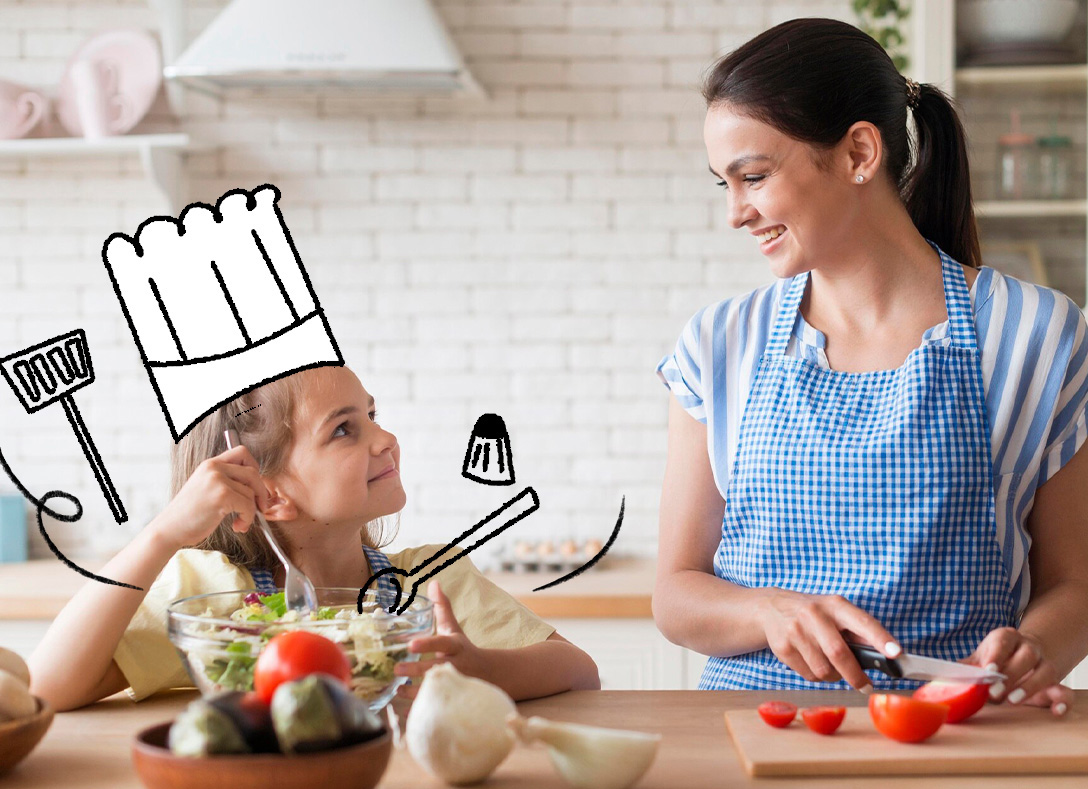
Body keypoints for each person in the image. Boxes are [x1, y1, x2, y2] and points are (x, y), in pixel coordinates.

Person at [653, 18, 1087, 716]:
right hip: (756, 733)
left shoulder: (1038, 335)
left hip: (959, 733)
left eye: (754, 177)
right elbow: (676, 592)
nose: (737, 212)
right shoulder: (718, 344)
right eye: (723, 185)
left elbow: (1075, 585)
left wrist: (1034, 648)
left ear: (859, 152)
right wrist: (770, 613)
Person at [29, 366, 600, 710]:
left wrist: (476, 668)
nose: (386, 438)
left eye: (373, 415)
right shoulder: (213, 603)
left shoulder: (431, 580)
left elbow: (577, 669)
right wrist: (159, 536)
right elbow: (47, 687)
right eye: (346, 429)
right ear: (270, 494)